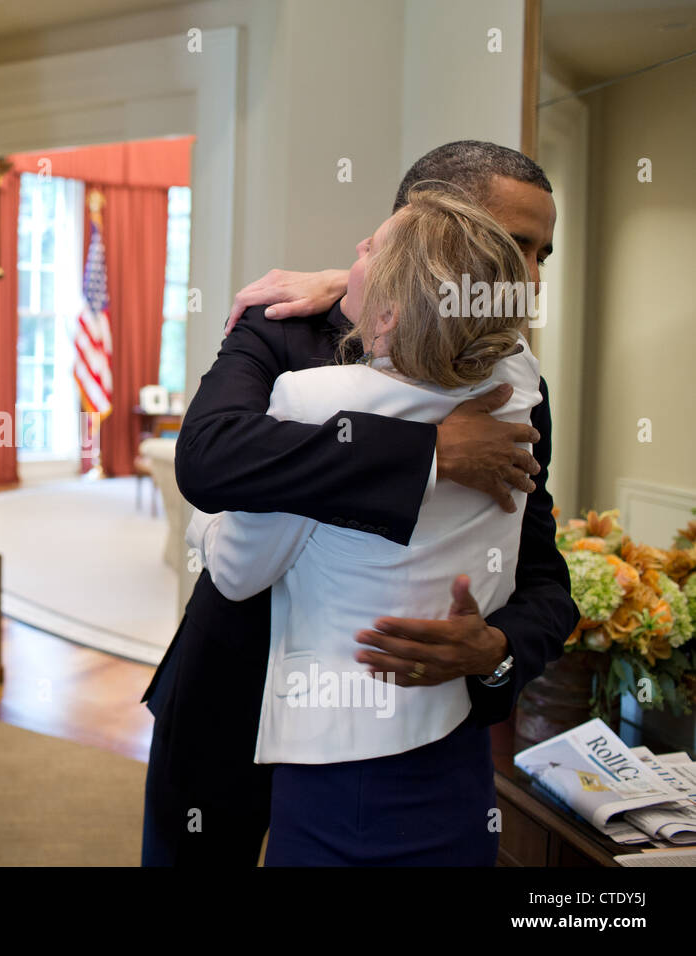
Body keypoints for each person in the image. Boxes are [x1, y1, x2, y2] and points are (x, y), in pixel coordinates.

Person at [141, 141, 579, 865]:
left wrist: (498, 652)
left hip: (393, 733)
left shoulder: (513, 389)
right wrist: (429, 454)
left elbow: (539, 573)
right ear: (424, 221)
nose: (527, 279)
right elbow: (213, 460)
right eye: (514, 248)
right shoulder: (283, 325)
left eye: (541, 258)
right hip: (229, 703)